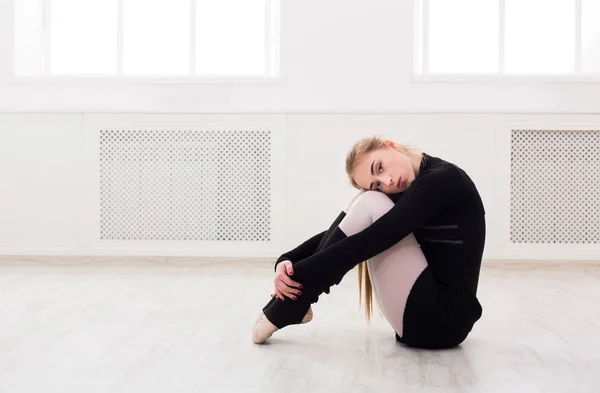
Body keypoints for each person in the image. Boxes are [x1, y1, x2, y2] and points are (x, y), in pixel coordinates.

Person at [252, 136, 486, 349]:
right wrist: (288, 260)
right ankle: (293, 305)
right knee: (364, 198)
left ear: (390, 144)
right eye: (378, 182)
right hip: (420, 314)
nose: (388, 181)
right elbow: (341, 232)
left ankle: (291, 306)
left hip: (443, 323)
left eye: (380, 167)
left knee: (370, 201)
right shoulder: (408, 188)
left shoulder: (443, 179)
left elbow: (371, 240)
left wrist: (298, 274)